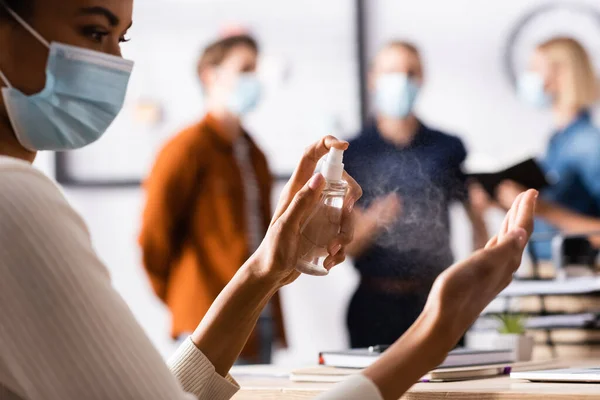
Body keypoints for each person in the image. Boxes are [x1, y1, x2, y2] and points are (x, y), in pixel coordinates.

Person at [0, 1, 537, 399]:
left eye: (122, 39)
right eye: (94, 31)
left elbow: (168, 393)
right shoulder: (17, 201)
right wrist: (436, 329)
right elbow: (155, 244)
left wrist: (268, 268)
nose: (113, 63)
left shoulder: (253, 151)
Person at [138, 33, 286, 363]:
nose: (255, 78)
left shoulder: (255, 153)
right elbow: (153, 238)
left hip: (259, 315)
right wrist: (184, 299)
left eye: (256, 69)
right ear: (210, 74)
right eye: (245, 68)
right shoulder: (185, 149)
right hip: (205, 317)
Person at [343, 41, 489, 348]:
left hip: (437, 301)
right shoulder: (353, 153)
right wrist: (374, 220)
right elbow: (347, 249)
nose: (402, 80)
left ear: (422, 79)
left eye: (411, 72)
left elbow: (477, 219)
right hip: (374, 305)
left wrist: (479, 281)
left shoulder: (448, 147)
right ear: (372, 78)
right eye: (392, 71)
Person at [493, 37, 600, 259]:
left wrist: (543, 209)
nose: (528, 77)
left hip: (577, 281)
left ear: (561, 75)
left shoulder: (588, 144)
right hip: (545, 275)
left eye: (534, 69)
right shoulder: (558, 140)